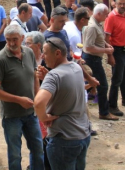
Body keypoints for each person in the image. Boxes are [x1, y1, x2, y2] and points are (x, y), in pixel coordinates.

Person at [0, 24, 44, 170]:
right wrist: (19, 100)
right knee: (15, 154)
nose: (12, 43)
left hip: (31, 113)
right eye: (8, 40)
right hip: (12, 115)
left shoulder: (29, 53)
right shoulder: (0, 59)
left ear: (22, 38)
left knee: (38, 150)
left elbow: (34, 77)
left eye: (15, 39)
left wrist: (38, 98)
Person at [34, 37, 91, 170]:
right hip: (83, 135)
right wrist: (48, 76)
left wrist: (44, 118)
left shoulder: (54, 76)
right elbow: (66, 87)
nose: (42, 56)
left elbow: (38, 102)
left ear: (57, 53)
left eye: (45, 52)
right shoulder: (76, 68)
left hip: (63, 139)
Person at [82, 4, 117, 120]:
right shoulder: (92, 27)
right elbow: (89, 47)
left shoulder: (97, 24)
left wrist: (106, 45)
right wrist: (106, 50)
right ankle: (104, 112)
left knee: (93, 85)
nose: (107, 16)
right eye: (106, 14)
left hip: (95, 58)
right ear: (98, 14)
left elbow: (99, 40)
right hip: (91, 59)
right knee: (102, 86)